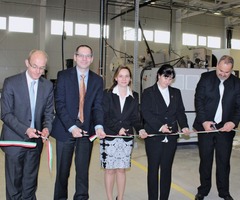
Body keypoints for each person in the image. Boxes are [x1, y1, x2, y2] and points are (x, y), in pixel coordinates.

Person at [51, 44, 106, 200]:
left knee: (83, 172)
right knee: (63, 172)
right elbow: (59, 104)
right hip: (65, 129)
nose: (84, 58)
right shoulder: (63, 75)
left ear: (92, 59)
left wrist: (99, 126)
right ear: (75, 57)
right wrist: (72, 127)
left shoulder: (97, 80)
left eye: (88, 56)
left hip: (86, 131)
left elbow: (97, 106)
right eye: (81, 55)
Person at [0, 50, 54, 199]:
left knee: (30, 185)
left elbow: (49, 113)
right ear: (26, 63)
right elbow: (5, 114)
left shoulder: (47, 86)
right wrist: (26, 130)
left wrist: (46, 127)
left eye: (42, 68)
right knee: (14, 185)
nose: (38, 71)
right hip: (14, 141)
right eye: (34, 66)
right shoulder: (11, 83)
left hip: (35, 143)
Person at [193, 55, 240, 200]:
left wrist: (233, 123)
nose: (223, 74)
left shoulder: (238, 83)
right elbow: (199, 101)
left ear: (232, 70)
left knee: (223, 161)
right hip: (206, 127)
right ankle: (203, 190)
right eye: (221, 70)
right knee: (205, 161)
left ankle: (224, 192)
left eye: (227, 72)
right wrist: (203, 121)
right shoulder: (205, 78)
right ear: (217, 66)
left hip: (225, 129)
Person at [140, 64, 190, 200]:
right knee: (153, 169)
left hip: (172, 137)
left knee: (167, 170)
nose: (167, 81)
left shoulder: (176, 93)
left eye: (170, 79)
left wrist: (184, 126)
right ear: (158, 75)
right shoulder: (149, 92)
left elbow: (180, 112)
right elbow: (146, 113)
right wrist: (160, 126)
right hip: (154, 136)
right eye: (165, 77)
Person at [101, 66, 146, 200]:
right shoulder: (107, 94)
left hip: (126, 138)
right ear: (115, 78)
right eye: (121, 76)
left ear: (130, 79)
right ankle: (110, 198)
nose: (124, 79)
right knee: (110, 170)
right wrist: (117, 129)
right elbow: (105, 116)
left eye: (127, 76)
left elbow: (135, 118)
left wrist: (141, 129)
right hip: (109, 136)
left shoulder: (134, 96)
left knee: (121, 170)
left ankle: (119, 198)